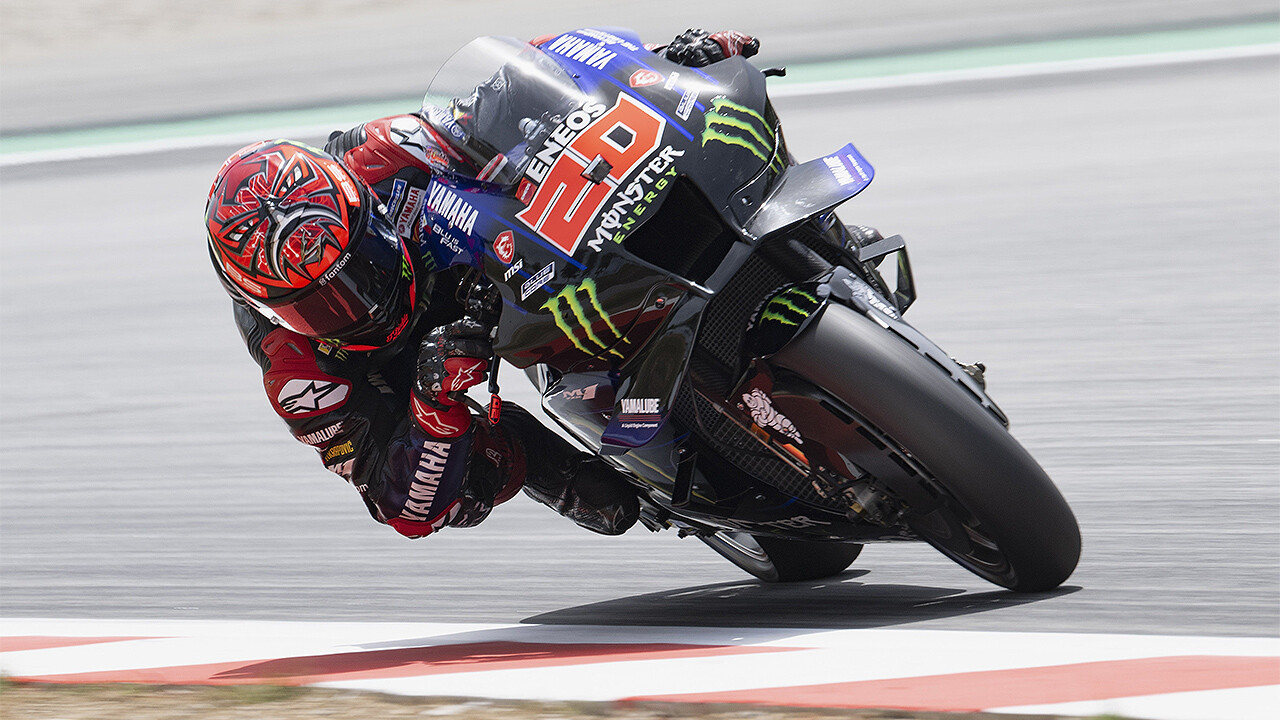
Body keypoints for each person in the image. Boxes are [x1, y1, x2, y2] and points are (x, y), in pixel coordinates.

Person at [203, 29, 760, 541]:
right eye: (323, 304)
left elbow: (521, 86)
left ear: (366, 209)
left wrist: (662, 66)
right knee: (511, 493)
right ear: (270, 310)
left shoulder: (383, 154)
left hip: (476, 263)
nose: (360, 298)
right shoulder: (298, 373)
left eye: (361, 262)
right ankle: (538, 454)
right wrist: (433, 404)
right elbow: (402, 507)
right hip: (407, 368)